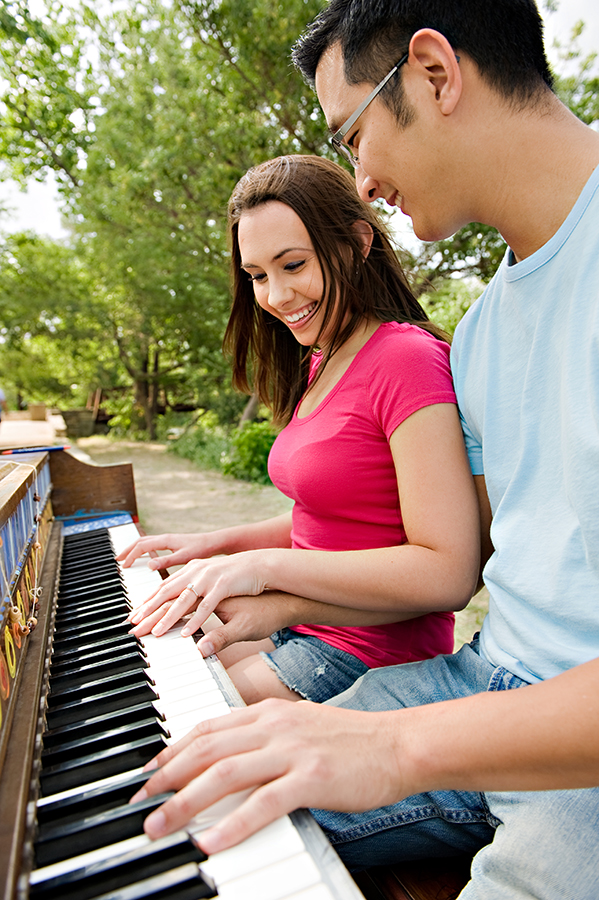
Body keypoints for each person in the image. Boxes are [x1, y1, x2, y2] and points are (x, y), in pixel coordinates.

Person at [130, 2, 599, 896]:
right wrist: (265, 589)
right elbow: (466, 548)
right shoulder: (487, 329)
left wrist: (390, 743)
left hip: (572, 738)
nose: (362, 178)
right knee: (179, 805)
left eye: (353, 134)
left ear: (434, 73)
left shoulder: (414, 352)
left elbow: (437, 567)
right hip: (479, 676)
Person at [120, 154, 479, 705]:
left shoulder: (406, 359)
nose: (276, 297)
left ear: (357, 244)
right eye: (258, 276)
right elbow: (338, 519)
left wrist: (262, 570)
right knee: (142, 659)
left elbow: (449, 573)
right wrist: (215, 545)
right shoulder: (321, 357)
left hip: (370, 656)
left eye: (293, 265)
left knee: (165, 719)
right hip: (305, 629)